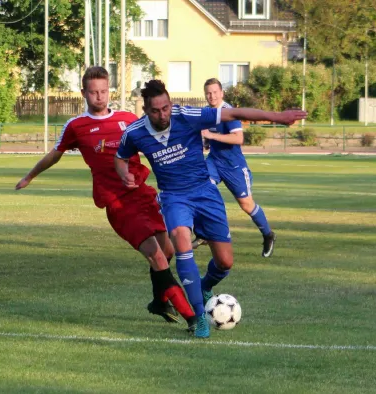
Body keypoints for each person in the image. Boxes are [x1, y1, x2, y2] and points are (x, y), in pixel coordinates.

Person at [115, 80, 306, 338]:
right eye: (156, 110)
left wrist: (278, 117)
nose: (163, 114)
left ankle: (205, 286)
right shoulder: (134, 132)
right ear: (146, 110)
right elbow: (120, 158)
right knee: (182, 243)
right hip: (174, 197)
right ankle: (198, 319)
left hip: (205, 193)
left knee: (225, 262)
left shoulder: (186, 115)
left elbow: (236, 113)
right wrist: (124, 173)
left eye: (166, 107)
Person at [15, 67, 195, 328]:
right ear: (83, 93)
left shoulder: (128, 118)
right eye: (93, 92)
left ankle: (158, 302)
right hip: (117, 203)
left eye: (103, 91)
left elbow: (156, 143)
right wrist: (30, 176)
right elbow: (55, 154)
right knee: (156, 256)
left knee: (167, 252)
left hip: (143, 195)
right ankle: (193, 318)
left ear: (109, 90)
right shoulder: (76, 126)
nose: (99, 96)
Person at [196, 78, 276, 257]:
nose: (212, 96)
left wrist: (210, 136)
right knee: (201, 188)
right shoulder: (207, 113)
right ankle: (203, 233)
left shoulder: (229, 112)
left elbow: (238, 139)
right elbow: (206, 135)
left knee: (246, 205)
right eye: (208, 93)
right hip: (214, 162)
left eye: (215, 92)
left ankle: (268, 234)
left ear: (222, 93)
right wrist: (206, 140)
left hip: (234, 167)